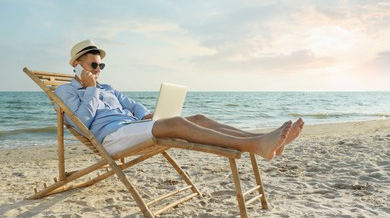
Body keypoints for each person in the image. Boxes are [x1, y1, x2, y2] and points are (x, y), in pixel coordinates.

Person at [56, 40, 304, 159]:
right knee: (177, 124)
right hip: (111, 138)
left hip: (131, 128)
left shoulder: (108, 87)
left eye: (102, 64)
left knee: (198, 118)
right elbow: (81, 123)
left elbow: (131, 104)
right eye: (94, 64)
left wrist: (145, 115)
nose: (99, 69)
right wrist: (90, 90)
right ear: (77, 64)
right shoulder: (65, 92)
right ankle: (257, 146)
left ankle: (260, 140)